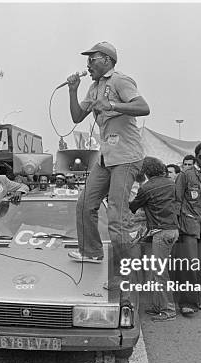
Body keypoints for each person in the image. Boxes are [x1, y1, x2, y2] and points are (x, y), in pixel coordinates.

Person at [65, 41, 149, 265]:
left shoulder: (120, 81)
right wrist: (73, 91)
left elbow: (143, 107)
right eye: (88, 60)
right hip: (106, 158)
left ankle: (126, 271)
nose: (88, 64)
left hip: (126, 157)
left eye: (92, 59)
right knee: (84, 205)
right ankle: (91, 251)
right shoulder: (93, 88)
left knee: (116, 216)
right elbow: (76, 117)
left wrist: (112, 105)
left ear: (107, 61)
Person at [129, 157, 179, 321]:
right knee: (158, 271)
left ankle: (168, 310)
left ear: (145, 171)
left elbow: (133, 207)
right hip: (173, 230)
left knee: (159, 273)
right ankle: (158, 306)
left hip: (160, 233)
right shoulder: (171, 183)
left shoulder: (146, 188)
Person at [175, 142, 201, 315]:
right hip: (188, 225)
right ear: (196, 156)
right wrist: (176, 226)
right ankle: (185, 303)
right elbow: (177, 201)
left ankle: (198, 299)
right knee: (189, 265)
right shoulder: (185, 175)